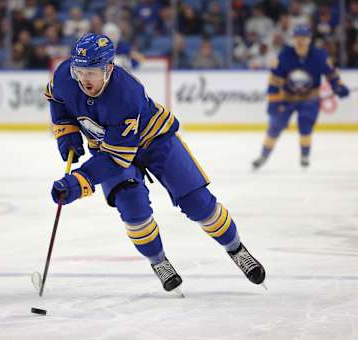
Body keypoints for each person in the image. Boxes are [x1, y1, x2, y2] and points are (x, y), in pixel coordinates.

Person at [45, 33, 266, 293]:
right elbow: (56, 100)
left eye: (91, 72)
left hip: (154, 141)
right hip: (109, 148)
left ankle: (236, 248)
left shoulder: (126, 94)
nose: (83, 79)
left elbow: (117, 159)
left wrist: (78, 181)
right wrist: (66, 130)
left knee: (197, 203)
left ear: (108, 68)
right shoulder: (64, 76)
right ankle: (158, 261)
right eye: (79, 71)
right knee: (132, 209)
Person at [252, 24, 350, 170]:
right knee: (275, 127)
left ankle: (305, 155)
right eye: (298, 37)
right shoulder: (284, 56)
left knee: (306, 126)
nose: (301, 41)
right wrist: (273, 101)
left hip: (309, 99)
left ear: (309, 39)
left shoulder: (320, 56)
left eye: (304, 37)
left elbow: (332, 74)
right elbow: (274, 80)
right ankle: (263, 155)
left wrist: (338, 86)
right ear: (293, 38)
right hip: (287, 99)